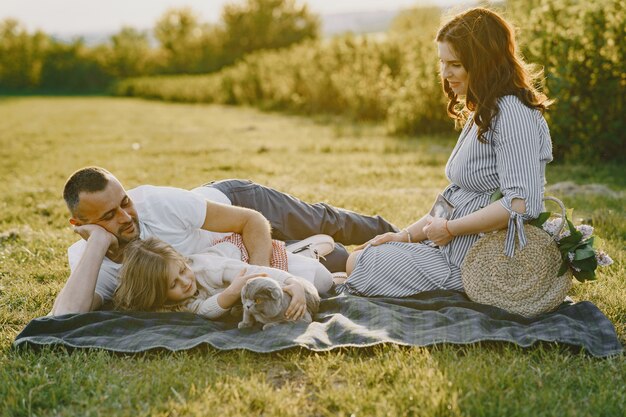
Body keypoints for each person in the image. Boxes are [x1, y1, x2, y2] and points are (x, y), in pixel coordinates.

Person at [339, 7, 553, 297]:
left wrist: (451, 229)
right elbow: (454, 198)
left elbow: (522, 204)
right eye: (442, 63)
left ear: (484, 63)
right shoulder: (487, 109)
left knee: (358, 262)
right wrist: (405, 235)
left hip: (471, 263)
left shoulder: (513, 114)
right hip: (446, 248)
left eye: (455, 64)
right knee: (367, 253)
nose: (445, 73)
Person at [51, 167, 397, 315]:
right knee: (336, 264)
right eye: (107, 217)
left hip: (240, 206)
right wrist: (97, 244)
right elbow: (65, 316)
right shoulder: (87, 258)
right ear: (80, 225)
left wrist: (260, 279)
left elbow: (251, 221)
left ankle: (397, 233)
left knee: (325, 220)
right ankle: (315, 250)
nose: (126, 217)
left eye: (124, 202)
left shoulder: (159, 203)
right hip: (227, 255)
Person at [114, 237, 327, 320]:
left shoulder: (207, 268)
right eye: (173, 284)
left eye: (182, 270)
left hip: (242, 255)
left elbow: (258, 272)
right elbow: (204, 310)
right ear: (159, 295)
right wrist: (231, 294)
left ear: (183, 260)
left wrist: (293, 283)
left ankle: (304, 250)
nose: (185, 282)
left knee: (324, 282)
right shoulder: (172, 306)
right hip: (234, 286)